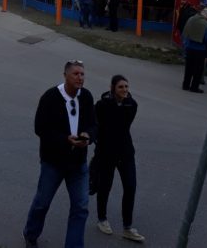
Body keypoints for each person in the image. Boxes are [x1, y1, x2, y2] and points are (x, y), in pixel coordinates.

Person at [23, 60, 97, 248]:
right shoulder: (51, 97)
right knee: (42, 202)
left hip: (78, 164)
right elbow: (40, 128)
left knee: (80, 207)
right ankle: (31, 234)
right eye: (76, 74)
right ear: (65, 76)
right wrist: (65, 139)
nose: (80, 78)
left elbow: (93, 123)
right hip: (53, 163)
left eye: (82, 74)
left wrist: (88, 135)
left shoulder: (86, 97)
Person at [92, 75, 145, 242]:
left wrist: (118, 105)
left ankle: (127, 227)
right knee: (105, 186)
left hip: (126, 153)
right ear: (113, 88)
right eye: (121, 87)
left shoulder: (132, 105)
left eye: (126, 87)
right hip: (107, 153)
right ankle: (102, 219)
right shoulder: (101, 105)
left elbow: (121, 125)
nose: (125, 90)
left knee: (130, 187)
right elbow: (99, 125)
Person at [182, 8, 207, 93]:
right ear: (206, 15)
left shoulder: (191, 19)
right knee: (198, 69)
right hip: (200, 49)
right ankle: (194, 87)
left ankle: (185, 85)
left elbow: (185, 32)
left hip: (189, 47)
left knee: (188, 68)